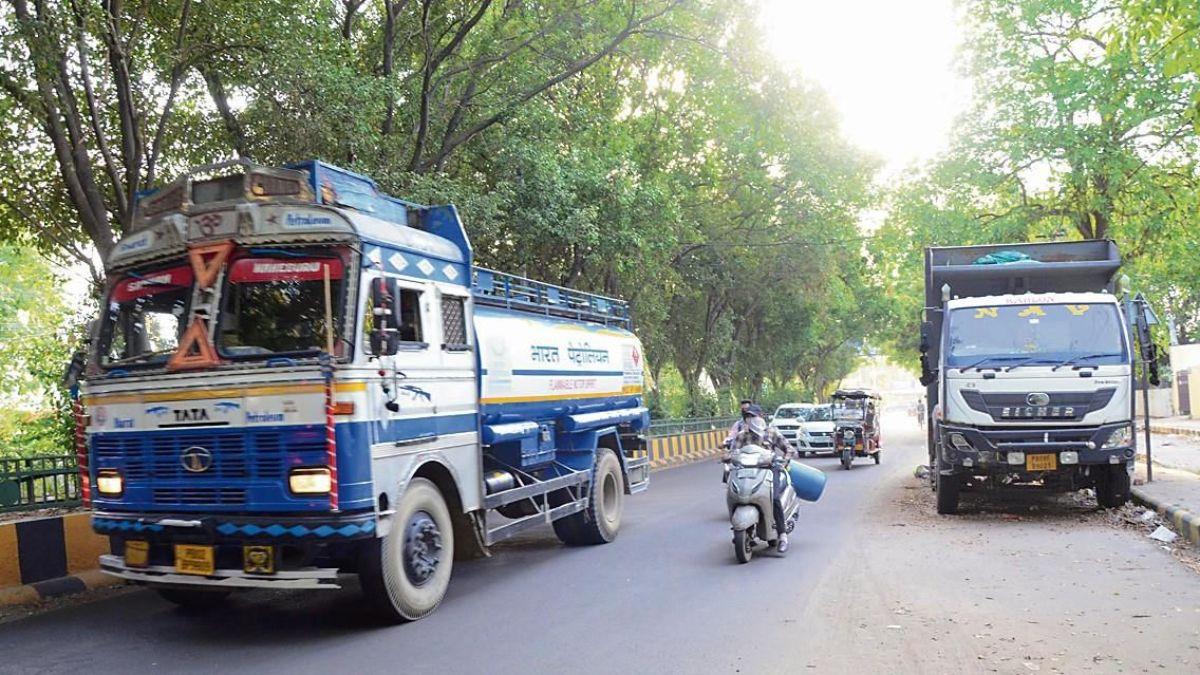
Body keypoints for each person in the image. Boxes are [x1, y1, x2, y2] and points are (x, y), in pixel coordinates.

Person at [729, 410, 797, 552]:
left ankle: (782, 534)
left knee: (775, 498)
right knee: (736, 494)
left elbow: (789, 449)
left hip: (769, 471)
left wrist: (783, 461)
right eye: (748, 417)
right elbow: (732, 452)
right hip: (746, 472)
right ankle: (741, 528)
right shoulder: (742, 436)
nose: (750, 419)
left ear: (760, 417)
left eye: (753, 416)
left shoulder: (771, 433)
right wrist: (728, 457)